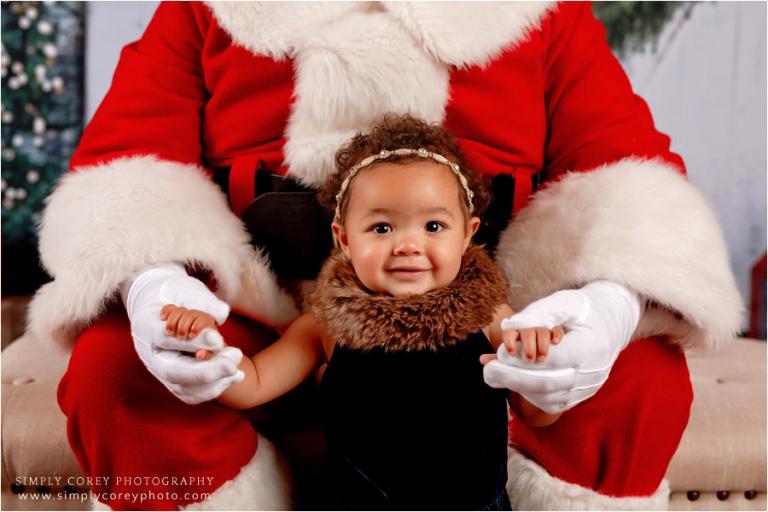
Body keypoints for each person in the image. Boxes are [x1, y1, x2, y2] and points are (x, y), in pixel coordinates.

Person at [28, 2, 742, 509]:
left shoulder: (546, 13)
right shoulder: (200, 8)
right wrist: (156, 285)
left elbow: (628, 168)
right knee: (113, 373)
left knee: (643, 377)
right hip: (262, 305)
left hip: (481, 306)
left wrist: (604, 310)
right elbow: (124, 160)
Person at [161, 116, 566, 509]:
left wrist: (541, 367)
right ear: (344, 239)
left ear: (467, 235)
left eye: (434, 227)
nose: (408, 245)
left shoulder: (489, 315)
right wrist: (203, 347)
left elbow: (536, 415)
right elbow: (253, 383)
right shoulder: (327, 324)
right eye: (382, 229)